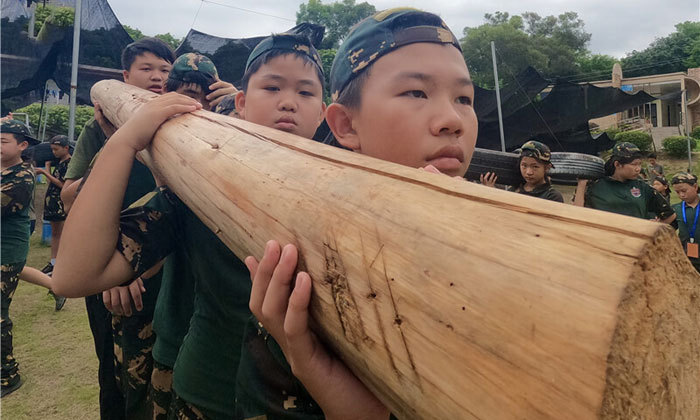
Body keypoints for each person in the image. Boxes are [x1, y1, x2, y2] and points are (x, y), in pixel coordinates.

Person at [53, 31, 326, 420]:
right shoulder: (200, 190)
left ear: (323, 112)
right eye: (271, 87)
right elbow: (72, 276)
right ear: (242, 104)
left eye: (305, 92)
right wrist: (125, 142)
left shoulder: (342, 191)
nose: (288, 102)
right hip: (207, 396)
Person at [240, 8, 475, 418]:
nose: (452, 121)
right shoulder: (308, 261)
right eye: (416, 93)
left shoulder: (503, 233)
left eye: (464, 99)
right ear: (346, 125)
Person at [58, 37, 176, 420]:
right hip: (108, 271)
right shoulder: (99, 128)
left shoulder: (180, 126)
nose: (158, 77)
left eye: (165, 70)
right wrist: (117, 144)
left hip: (161, 271)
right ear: (125, 76)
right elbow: (69, 198)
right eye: (147, 68)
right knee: (115, 377)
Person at [1, 120, 40, 396]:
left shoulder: (22, 177)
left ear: (22, 146)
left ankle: (8, 375)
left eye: (3, 141)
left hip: (6, 253)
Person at [582, 142, 676, 224]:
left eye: (640, 164)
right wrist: (581, 185)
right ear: (617, 164)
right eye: (634, 164)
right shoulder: (596, 186)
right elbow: (577, 214)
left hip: (636, 238)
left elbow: (670, 215)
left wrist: (652, 230)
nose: (638, 169)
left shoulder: (642, 187)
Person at [34, 135, 71, 274]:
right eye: (52, 150)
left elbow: (62, 185)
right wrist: (48, 168)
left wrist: (44, 172)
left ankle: (59, 262)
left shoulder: (69, 164)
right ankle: (54, 261)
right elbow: (52, 182)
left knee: (60, 233)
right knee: (55, 233)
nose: (54, 152)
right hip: (52, 202)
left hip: (60, 202)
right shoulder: (60, 162)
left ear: (66, 148)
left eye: (56, 149)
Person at [480, 140, 563, 202]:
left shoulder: (552, 196)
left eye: (535, 167)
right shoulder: (514, 189)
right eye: (524, 166)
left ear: (547, 168)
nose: (528, 172)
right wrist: (492, 192)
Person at [671, 172, 700, 272]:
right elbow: (669, 229)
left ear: (695, 187)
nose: (681, 195)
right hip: (686, 258)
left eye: (684, 191)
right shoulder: (676, 209)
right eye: (677, 192)